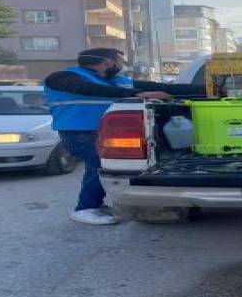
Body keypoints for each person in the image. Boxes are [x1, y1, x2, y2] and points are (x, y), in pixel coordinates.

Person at [44, 48, 204, 225]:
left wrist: (211, 89)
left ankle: (93, 205)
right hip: (79, 133)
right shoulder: (63, 77)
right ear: (108, 63)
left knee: (100, 167)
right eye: (121, 62)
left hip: (106, 133)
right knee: (99, 166)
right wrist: (135, 93)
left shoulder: (118, 81)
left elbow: (163, 88)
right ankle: (84, 208)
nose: (122, 66)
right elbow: (88, 89)